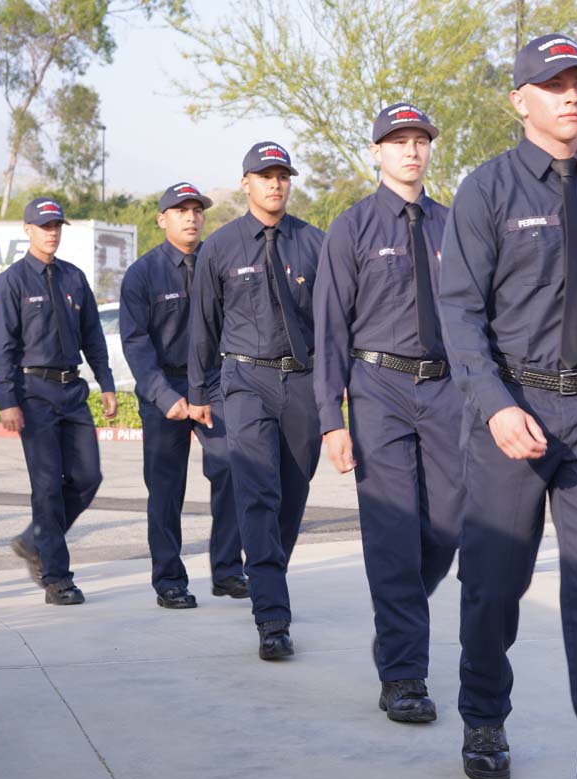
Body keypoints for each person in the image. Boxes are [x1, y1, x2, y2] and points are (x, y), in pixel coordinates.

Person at [438, 34, 577, 779]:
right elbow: (460, 314)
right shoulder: (486, 192)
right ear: (519, 100)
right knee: (493, 586)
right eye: (556, 85)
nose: (573, 97)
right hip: (513, 410)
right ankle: (483, 715)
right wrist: (494, 407)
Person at [314, 104, 461, 722]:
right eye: (398, 141)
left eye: (420, 140)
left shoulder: (455, 225)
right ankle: (404, 674)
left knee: (447, 528)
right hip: (379, 388)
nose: (411, 150)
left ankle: (399, 622)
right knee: (393, 533)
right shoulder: (352, 228)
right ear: (376, 151)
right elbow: (329, 327)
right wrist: (331, 417)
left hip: (447, 390)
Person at [189, 142, 323, 660]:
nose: (275, 184)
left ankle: (272, 576)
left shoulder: (314, 243)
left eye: (282, 175)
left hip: (303, 383)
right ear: (246, 183)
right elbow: (203, 325)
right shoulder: (221, 247)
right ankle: (271, 615)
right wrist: (199, 393)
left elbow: (334, 322)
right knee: (257, 492)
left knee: (292, 495)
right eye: (265, 176)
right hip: (244, 380)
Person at [120, 182, 246, 610]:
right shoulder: (143, 273)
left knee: (230, 468)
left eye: (197, 210)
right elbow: (136, 343)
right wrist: (162, 396)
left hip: (214, 382)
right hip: (167, 387)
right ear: (162, 219)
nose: (191, 217)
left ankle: (227, 570)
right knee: (166, 489)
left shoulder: (220, 262)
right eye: (180, 210)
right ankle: (169, 580)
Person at [0, 197, 117, 605]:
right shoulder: (11, 282)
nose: (52, 233)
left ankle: (34, 539)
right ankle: (57, 578)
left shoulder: (74, 278)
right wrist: (6, 399)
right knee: (46, 487)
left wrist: (106, 383)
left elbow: (93, 336)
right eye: (45, 226)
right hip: (33, 393)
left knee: (88, 478)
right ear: (27, 229)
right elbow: (0, 347)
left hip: (73, 391)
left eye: (57, 226)